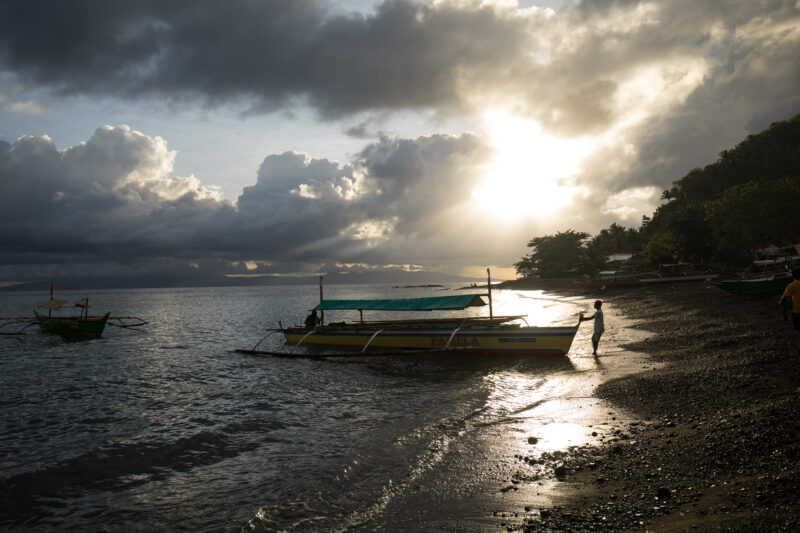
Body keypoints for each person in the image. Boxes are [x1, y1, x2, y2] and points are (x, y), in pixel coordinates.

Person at [779, 268, 800, 349]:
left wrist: (781, 304)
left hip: (797, 311)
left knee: (797, 329)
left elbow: (784, 298)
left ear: (793, 276)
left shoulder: (791, 285)